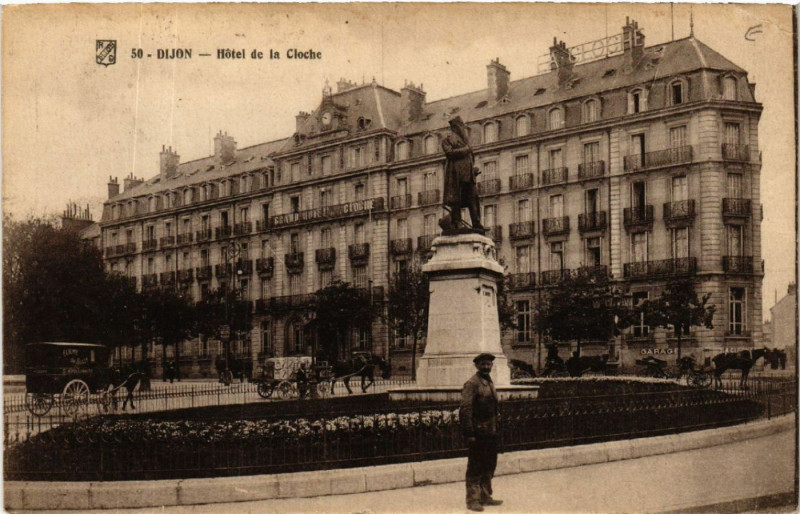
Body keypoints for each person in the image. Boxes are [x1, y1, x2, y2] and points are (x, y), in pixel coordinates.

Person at [460, 353, 502, 512]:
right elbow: (465, 409)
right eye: (483, 364)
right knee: (475, 467)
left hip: (490, 432)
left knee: (489, 465)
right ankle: (472, 500)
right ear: (477, 366)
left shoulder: (489, 382)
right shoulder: (472, 384)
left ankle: (485, 496)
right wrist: (469, 433)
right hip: (478, 433)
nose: (486, 367)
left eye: (488, 364)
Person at [442, 116, 482, 231]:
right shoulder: (448, 139)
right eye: (460, 126)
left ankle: (476, 223)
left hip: (469, 176)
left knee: (473, 198)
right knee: (456, 199)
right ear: (455, 127)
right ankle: (457, 222)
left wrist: (473, 169)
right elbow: (449, 153)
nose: (462, 128)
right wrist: (465, 150)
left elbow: (470, 158)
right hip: (456, 175)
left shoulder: (466, 141)